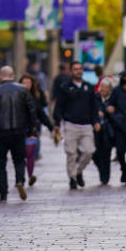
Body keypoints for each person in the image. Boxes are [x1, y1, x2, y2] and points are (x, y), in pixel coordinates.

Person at [0, 66, 37, 201]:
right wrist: (31, 129)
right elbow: (31, 110)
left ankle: (3, 192)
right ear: (13, 76)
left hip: (0, 132)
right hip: (19, 131)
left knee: (0, 163)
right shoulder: (23, 90)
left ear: (0, 77)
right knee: (19, 159)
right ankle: (20, 180)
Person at [53, 61, 97, 190]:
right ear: (71, 71)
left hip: (86, 125)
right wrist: (57, 123)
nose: (78, 71)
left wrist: (96, 122)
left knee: (89, 151)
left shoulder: (89, 87)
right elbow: (59, 106)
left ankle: (78, 171)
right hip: (71, 124)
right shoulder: (65, 87)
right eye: (75, 69)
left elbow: (94, 106)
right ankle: (72, 178)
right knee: (71, 153)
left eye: (80, 69)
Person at [19, 73, 54, 186]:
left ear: (32, 84)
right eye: (23, 82)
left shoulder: (35, 98)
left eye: (28, 83)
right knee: (20, 155)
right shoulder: (16, 97)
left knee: (30, 154)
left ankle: (30, 175)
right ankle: (19, 178)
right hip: (17, 131)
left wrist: (51, 127)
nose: (26, 85)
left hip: (31, 130)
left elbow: (41, 114)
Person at [92, 77, 116, 185]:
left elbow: (117, 113)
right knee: (94, 153)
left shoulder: (113, 100)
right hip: (96, 130)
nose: (102, 89)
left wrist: (108, 112)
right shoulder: (94, 98)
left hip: (108, 131)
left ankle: (105, 177)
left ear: (109, 89)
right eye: (101, 86)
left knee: (106, 153)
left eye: (105, 87)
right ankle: (102, 170)